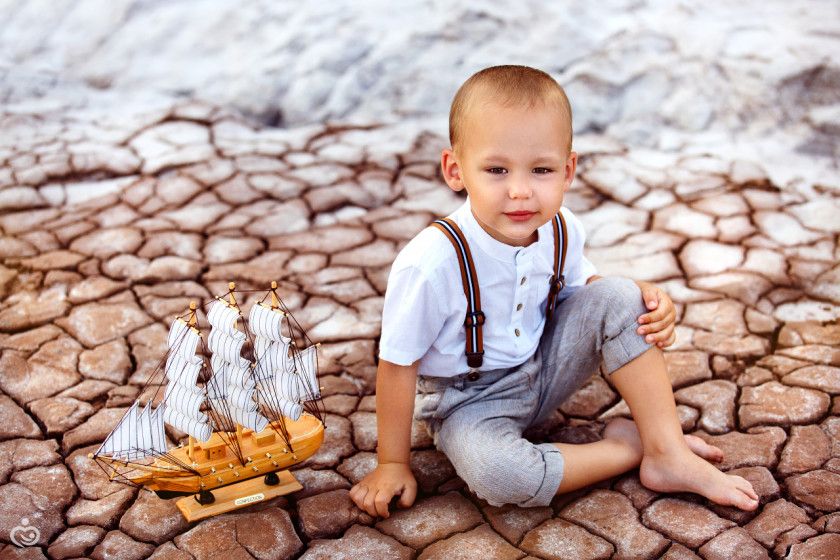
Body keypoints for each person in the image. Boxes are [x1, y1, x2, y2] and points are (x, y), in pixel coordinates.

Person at [349, 65, 759, 518]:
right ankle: (628, 448)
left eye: (541, 169)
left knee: (626, 296)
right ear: (455, 170)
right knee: (499, 475)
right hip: (467, 402)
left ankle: (668, 452)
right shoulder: (432, 262)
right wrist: (392, 462)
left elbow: (587, 295)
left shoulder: (561, 229)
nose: (521, 191)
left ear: (568, 171)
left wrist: (644, 302)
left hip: (543, 368)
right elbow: (397, 363)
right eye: (497, 169)